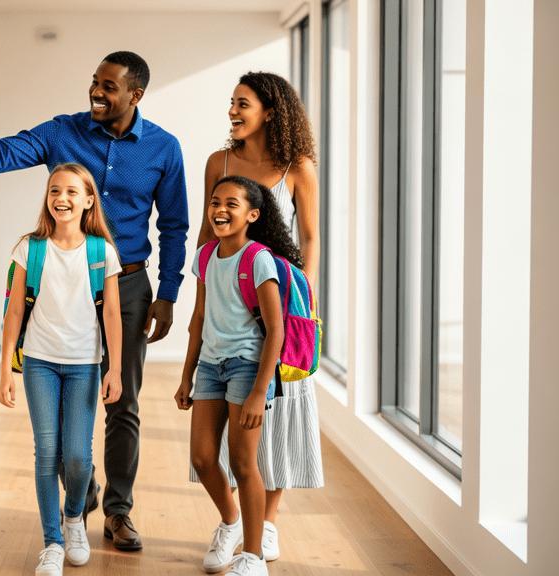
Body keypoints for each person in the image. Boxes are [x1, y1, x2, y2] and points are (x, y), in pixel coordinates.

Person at [0, 51, 188, 551]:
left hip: (131, 284)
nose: (96, 92)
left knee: (123, 400)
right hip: (66, 284)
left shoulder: (164, 148)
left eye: (109, 86)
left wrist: (167, 294)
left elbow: (174, 225)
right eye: (94, 81)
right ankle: (82, 488)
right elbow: (2, 154)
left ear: (135, 95)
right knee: (66, 398)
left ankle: (118, 511)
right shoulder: (62, 132)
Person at [190, 71, 326, 564]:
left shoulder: (298, 166)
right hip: (229, 297)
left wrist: (304, 297)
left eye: (242, 103)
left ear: (270, 110)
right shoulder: (219, 161)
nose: (233, 110)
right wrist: (202, 294)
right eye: (231, 102)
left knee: (282, 416)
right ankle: (234, 521)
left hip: (279, 300)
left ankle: (266, 525)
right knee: (224, 437)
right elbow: (209, 231)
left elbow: (308, 235)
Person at [0, 163, 124, 575]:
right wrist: (4, 371)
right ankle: (52, 541)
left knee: (76, 457)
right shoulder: (29, 248)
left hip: (85, 364)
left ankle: (74, 518)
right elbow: (15, 311)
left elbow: (113, 318)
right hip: (39, 362)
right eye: (55, 190)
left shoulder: (100, 252)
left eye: (72, 192)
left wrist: (115, 370)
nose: (62, 199)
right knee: (46, 452)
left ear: (89, 200)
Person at [176, 175, 303, 576]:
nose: (220, 210)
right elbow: (198, 318)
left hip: (247, 367)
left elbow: (276, 329)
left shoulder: (259, 258)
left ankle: (253, 557)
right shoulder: (204, 256)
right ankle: (230, 522)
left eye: (232, 204)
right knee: (202, 457)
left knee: (244, 463)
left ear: (252, 215)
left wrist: (259, 390)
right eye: (215, 202)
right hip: (211, 367)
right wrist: (186, 376)